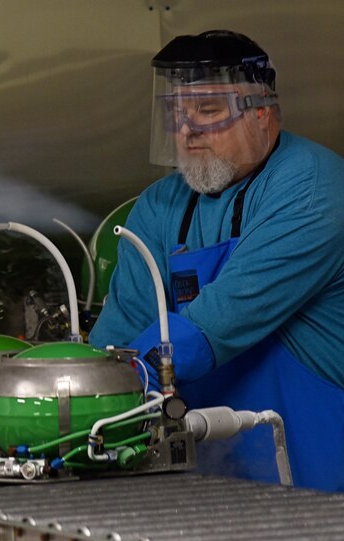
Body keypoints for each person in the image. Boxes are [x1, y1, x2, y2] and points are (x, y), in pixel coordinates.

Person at [88, 30, 344, 491]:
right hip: (204, 482)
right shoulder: (158, 206)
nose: (188, 130)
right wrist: (82, 383)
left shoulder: (313, 188)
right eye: (175, 114)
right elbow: (120, 334)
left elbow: (219, 321)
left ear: (262, 112)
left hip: (318, 472)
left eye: (208, 111)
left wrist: (114, 380)